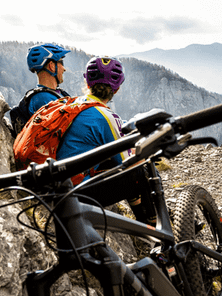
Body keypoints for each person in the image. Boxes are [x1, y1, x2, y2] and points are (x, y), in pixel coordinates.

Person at [57, 56, 157, 225]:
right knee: (141, 170)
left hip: (53, 184)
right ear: (116, 89)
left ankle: (145, 224)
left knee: (115, 164)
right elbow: (127, 163)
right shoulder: (106, 116)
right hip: (75, 194)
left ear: (88, 84)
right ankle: (155, 229)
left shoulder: (73, 104)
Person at [8, 43, 71, 137]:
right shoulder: (44, 99)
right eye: (61, 62)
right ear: (52, 66)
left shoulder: (54, 94)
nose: (64, 69)